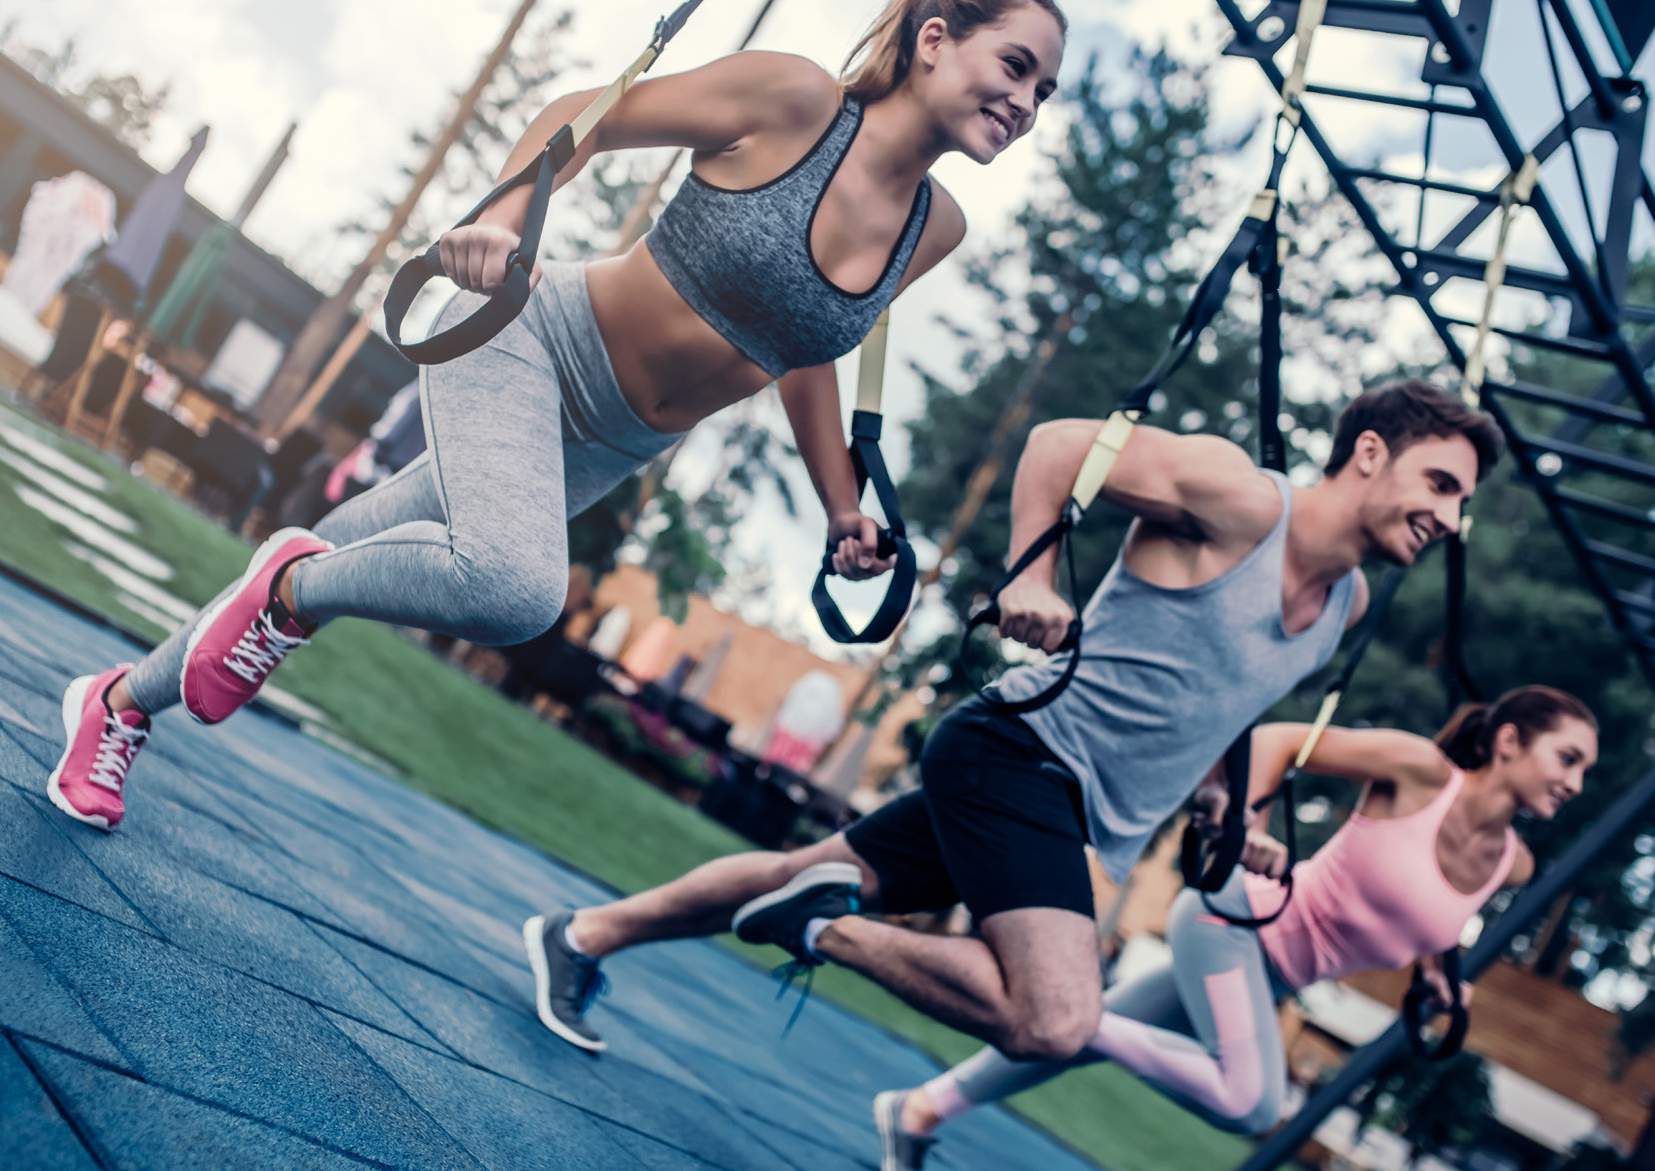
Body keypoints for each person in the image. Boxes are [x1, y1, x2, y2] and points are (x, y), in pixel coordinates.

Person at [43, 0, 1069, 831]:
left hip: (617, 441)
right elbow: (591, 111)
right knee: (512, 587)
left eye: (1044, 89)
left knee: (372, 544)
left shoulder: (935, 226)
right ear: (934, 38)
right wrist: (499, 215)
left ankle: (118, 705)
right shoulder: (794, 100)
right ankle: (293, 591)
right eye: (1015, 65)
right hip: (530, 340)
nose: (1025, 100)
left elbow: (804, 349)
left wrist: (841, 507)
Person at [523, 379, 1504, 1053]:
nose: (1451, 519)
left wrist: (1224, 809)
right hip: (1022, 754)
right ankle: (819, 930)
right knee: (1055, 1018)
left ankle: (580, 934)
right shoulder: (1243, 502)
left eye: (1462, 503)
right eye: (1440, 484)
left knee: (800, 869)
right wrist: (1030, 574)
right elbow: (1062, 445)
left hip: (1063, 803)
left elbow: (1212, 706)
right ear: (1368, 452)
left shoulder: (1346, 607)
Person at [868, 687, 1597, 1170]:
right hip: (1231, 921)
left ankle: (918, 1107)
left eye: (1584, 770)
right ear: (1507, 740)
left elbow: (1438, 917)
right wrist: (1239, 822)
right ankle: (1048, 999)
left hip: (1271, 971)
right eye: (1566, 758)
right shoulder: (1418, 771)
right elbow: (1278, 739)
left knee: (1075, 1037)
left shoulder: (1513, 864)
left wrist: (1436, 972)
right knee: (1247, 1099)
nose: (1573, 781)